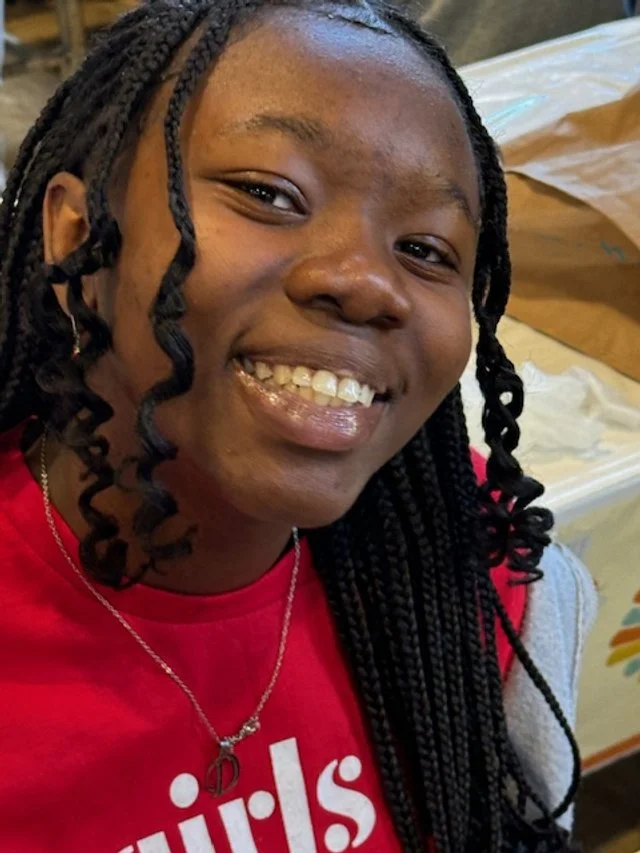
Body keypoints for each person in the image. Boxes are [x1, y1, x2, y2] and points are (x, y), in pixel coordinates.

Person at [0, 0, 596, 850]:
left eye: (427, 249)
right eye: (270, 194)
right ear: (77, 236)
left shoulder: (485, 581)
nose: (366, 284)